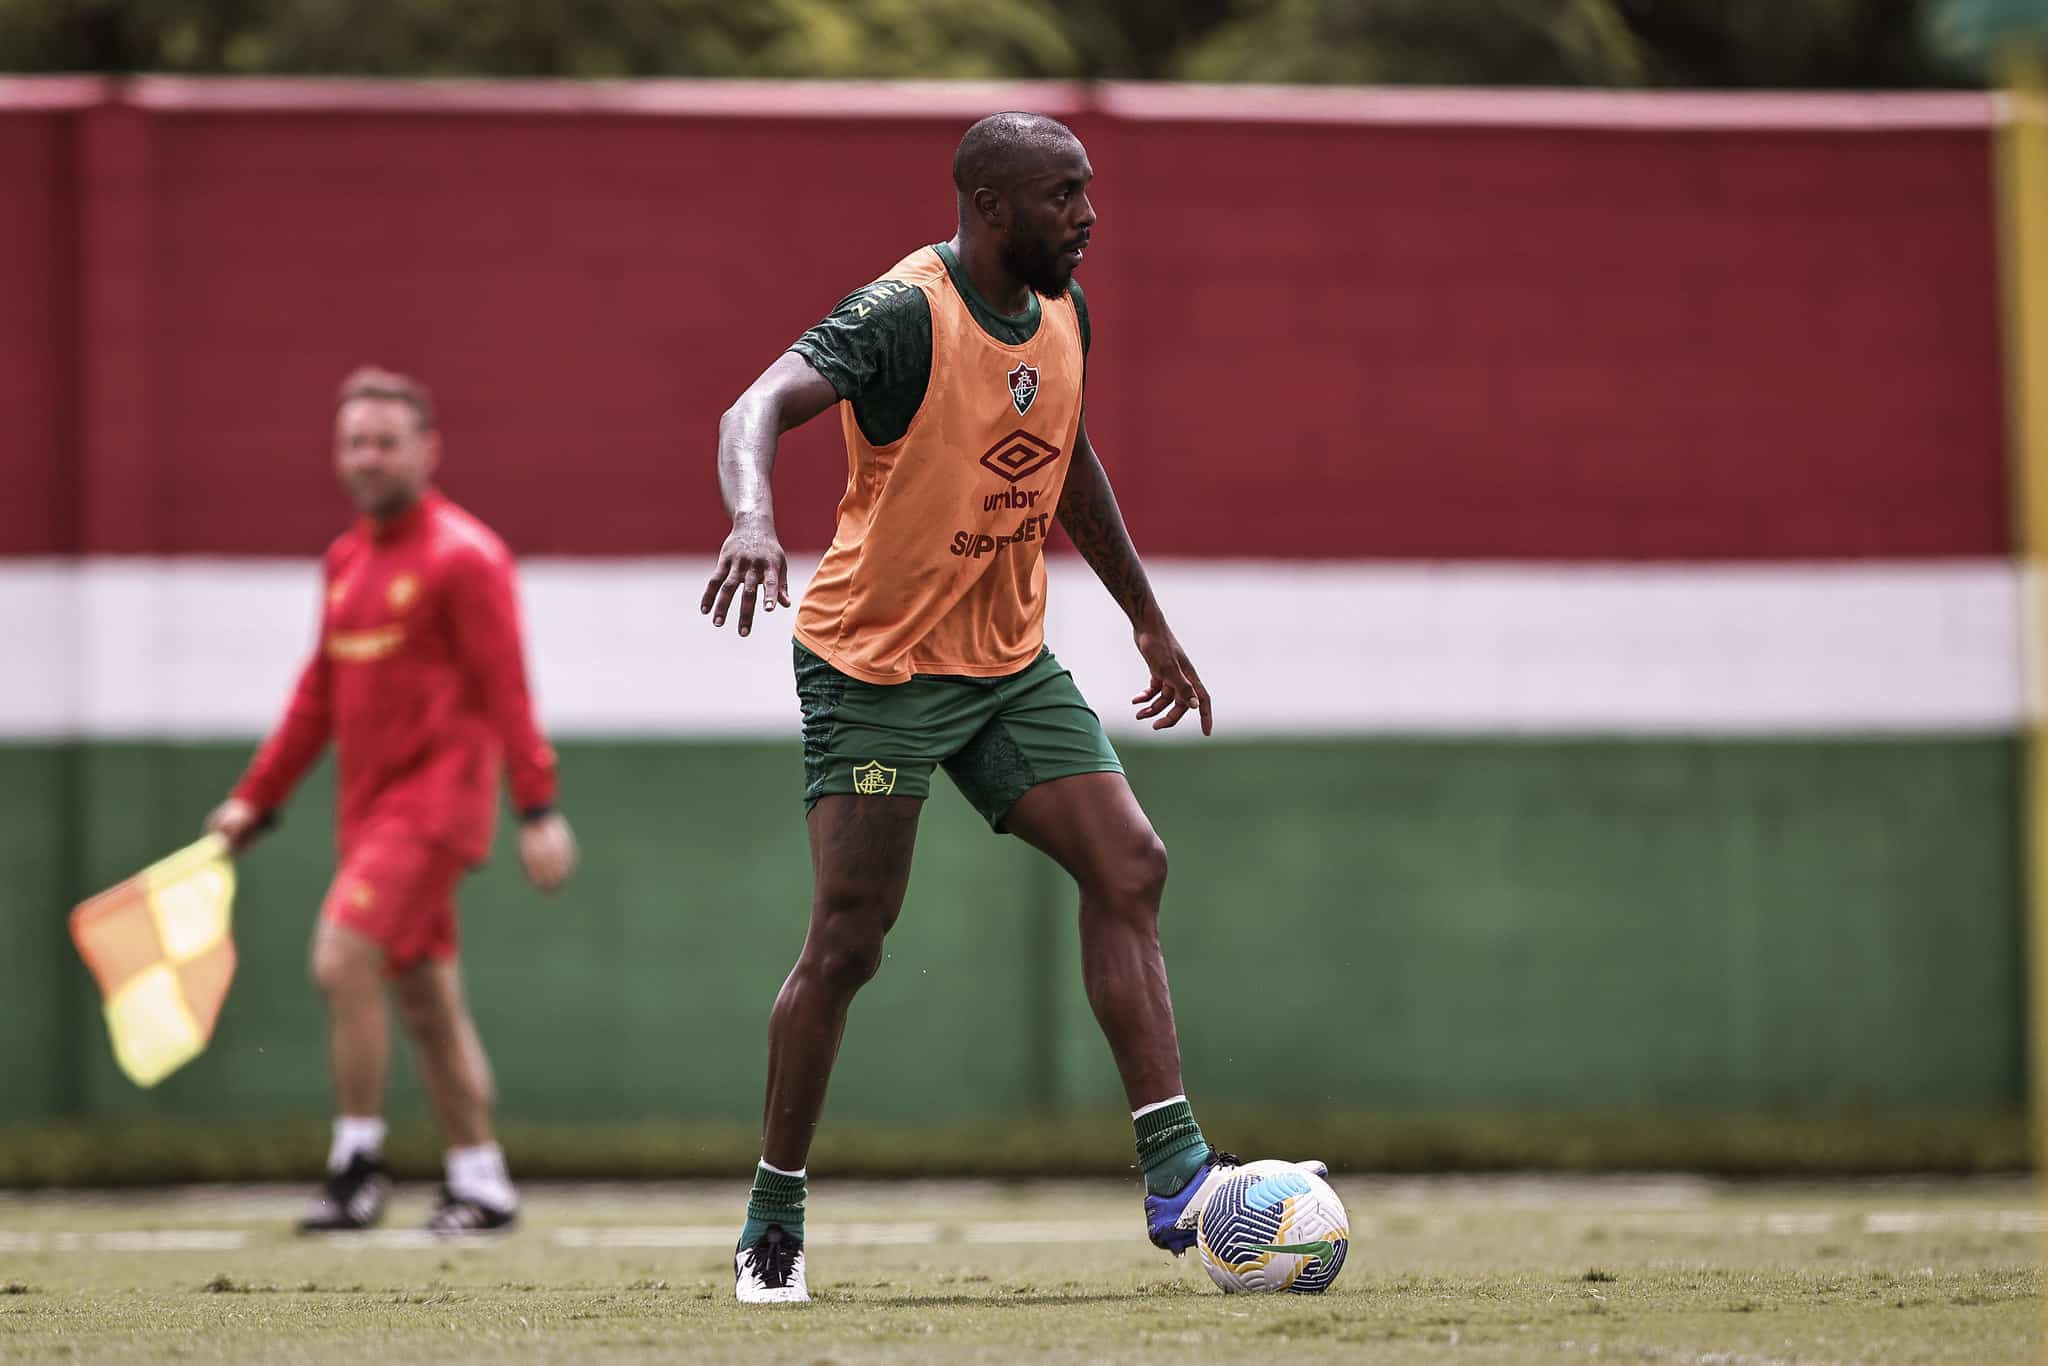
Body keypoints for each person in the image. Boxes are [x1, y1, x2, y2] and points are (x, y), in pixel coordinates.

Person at [703, 111, 1319, 1304]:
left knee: (1129, 862)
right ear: (990, 208)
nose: (1088, 216)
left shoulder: (1062, 311)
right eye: (1063, 195)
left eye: (1087, 191)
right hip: (875, 667)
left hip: (1002, 662)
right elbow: (752, 407)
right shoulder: (901, 315)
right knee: (850, 939)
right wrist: (751, 517)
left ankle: (1176, 1176)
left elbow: (1062, 455)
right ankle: (772, 1217)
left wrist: (1145, 617)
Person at [206, 366, 578, 1234]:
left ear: (426, 450)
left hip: (435, 811)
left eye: (385, 442)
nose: (367, 457)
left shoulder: (465, 557)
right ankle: (482, 1182)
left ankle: (356, 1168)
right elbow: (317, 697)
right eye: (354, 443)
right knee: (427, 1003)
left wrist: (537, 809)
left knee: (341, 960)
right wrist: (254, 801)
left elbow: (508, 690)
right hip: (368, 815)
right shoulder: (345, 562)